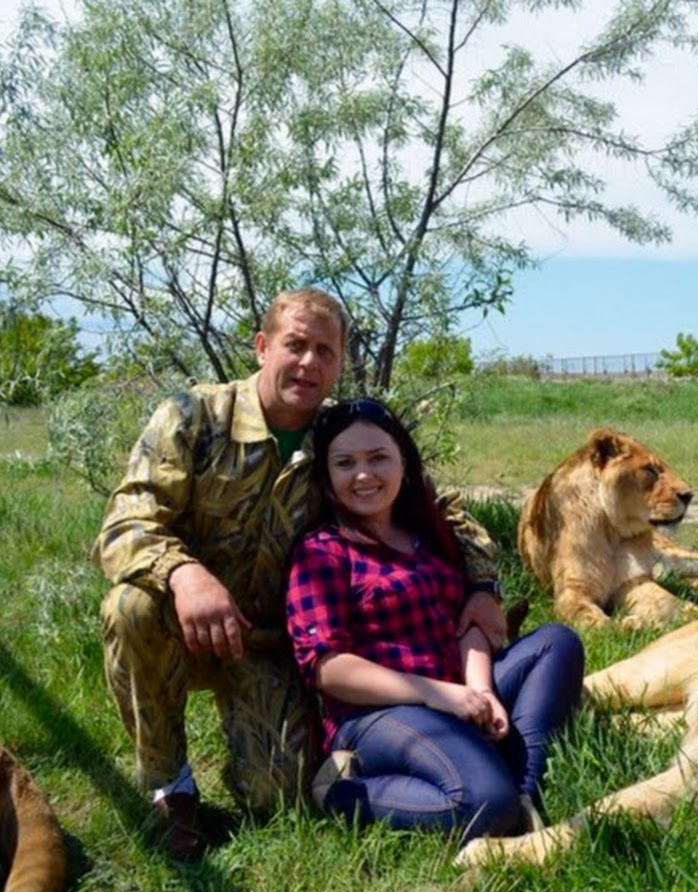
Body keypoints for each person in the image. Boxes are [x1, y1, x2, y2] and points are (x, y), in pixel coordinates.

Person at [92, 288, 507, 860]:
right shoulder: (195, 418)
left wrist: (483, 587)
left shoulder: (341, 442)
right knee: (130, 606)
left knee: (277, 799)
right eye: (295, 345)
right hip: (179, 624)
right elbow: (123, 523)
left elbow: (444, 512)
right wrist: (184, 573)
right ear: (263, 347)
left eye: (325, 351)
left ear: (339, 363)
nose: (309, 362)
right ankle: (170, 789)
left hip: (271, 646)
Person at [285, 398, 585, 841]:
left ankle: (524, 796)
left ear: (403, 462)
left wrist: (480, 691)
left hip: (453, 689)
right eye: (345, 463)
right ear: (327, 477)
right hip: (379, 712)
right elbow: (329, 669)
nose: (364, 475)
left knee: (556, 642)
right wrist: (435, 694)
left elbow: (468, 626)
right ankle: (341, 793)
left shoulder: (429, 534)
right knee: (484, 802)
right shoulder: (322, 552)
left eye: (378, 458)